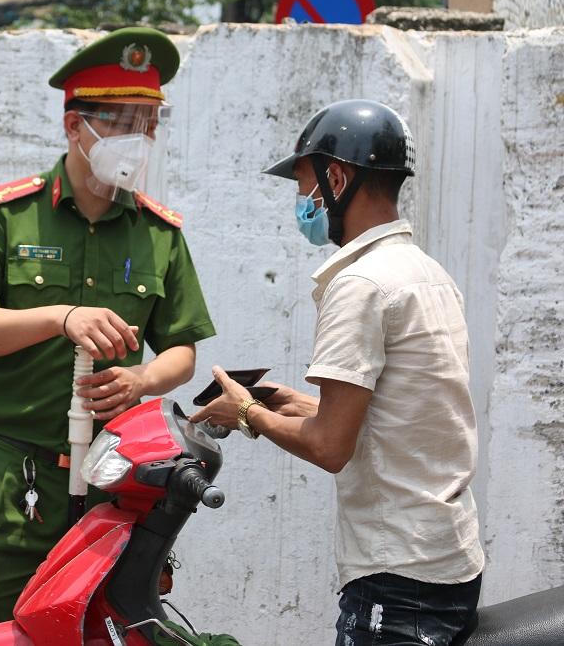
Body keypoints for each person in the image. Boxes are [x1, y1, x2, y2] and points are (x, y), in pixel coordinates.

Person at [0, 27, 216, 633]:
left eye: (148, 123)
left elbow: (183, 351)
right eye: (120, 121)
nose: (137, 140)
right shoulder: (7, 214)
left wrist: (143, 378)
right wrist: (60, 318)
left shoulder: (158, 233)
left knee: (99, 630)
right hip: (16, 478)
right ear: (74, 126)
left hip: (115, 483)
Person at [189, 99, 485, 645]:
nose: (303, 202)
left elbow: (330, 447)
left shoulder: (361, 284)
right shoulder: (427, 273)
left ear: (338, 176)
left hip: (398, 576)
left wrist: (246, 411)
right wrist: (288, 402)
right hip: (445, 554)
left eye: (305, 186)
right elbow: (396, 415)